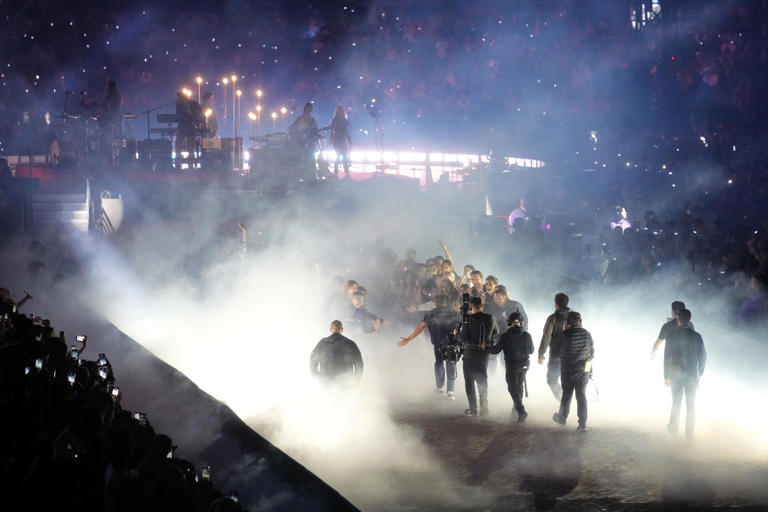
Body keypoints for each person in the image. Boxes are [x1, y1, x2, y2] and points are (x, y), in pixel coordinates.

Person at [398, 294, 461, 399]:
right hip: (452, 344)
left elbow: (420, 327)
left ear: (435, 303)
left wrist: (408, 339)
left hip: (438, 344)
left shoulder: (431, 314)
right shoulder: (455, 314)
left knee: (439, 363)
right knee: (451, 364)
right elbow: (461, 328)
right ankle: (450, 391)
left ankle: (440, 388)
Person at [663, 308, 706, 440]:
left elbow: (667, 357)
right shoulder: (697, 336)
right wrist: (700, 373)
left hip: (676, 375)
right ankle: (689, 435)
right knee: (691, 406)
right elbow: (703, 357)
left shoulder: (671, 336)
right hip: (692, 375)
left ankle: (674, 429)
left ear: (677, 319)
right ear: (689, 320)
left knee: (676, 403)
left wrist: (666, 376)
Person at [488, 311, 534, 422]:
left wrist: (486, 346)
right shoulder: (527, 335)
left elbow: (495, 351)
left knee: (512, 388)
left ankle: (521, 410)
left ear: (509, 323)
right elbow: (531, 351)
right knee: (519, 387)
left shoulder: (505, 336)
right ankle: (516, 411)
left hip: (512, 366)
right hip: (524, 366)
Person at [552, 311, 594, 432]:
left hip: (567, 371)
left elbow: (555, 350)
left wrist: (564, 331)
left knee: (566, 395)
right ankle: (582, 425)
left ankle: (562, 418)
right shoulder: (587, 334)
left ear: (568, 323)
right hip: (583, 371)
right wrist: (590, 371)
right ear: (580, 322)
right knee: (581, 396)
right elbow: (591, 353)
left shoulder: (563, 335)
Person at [460, 297, 499, 416]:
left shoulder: (467, 319)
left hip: (469, 354)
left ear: (471, 306)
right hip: (483, 354)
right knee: (482, 379)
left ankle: (473, 409)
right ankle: (484, 407)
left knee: (469, 382)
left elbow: (464, 337)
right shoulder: (490, 318)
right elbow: (496, 331)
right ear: (481, 306)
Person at [537, 293, 571, 400]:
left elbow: (546, 336)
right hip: (572, 358)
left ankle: (563, 402)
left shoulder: (553, 318)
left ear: (556, 304)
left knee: (551, 380)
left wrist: (541, 354)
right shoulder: (576, 317)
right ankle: (567, 404)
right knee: (568, 382)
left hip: (556, 357)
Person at [288, 102, 320, 179]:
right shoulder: (299, 119)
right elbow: (293, 128)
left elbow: (315, 131)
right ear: (305, 109)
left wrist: (313, 139)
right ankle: (297, 177)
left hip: (309, 144)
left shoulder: (312, 120)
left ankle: (310, 176)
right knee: (298, 160)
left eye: (310, 109)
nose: (308, 111)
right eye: (308, 109)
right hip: (300, 143)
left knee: (310, 160)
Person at [328, 106, 352, 179]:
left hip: (342, 139)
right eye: (339, 110)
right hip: (336, 139)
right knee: (338, 156)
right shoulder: (334, 120)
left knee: (344, 156)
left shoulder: (345, 120)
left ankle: (346, 173)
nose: (340, 111)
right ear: (337, 111)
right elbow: (332, 131)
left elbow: (346, 131)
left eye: (341, 110)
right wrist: (331, 140)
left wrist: (349, 139)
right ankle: (336, 173)